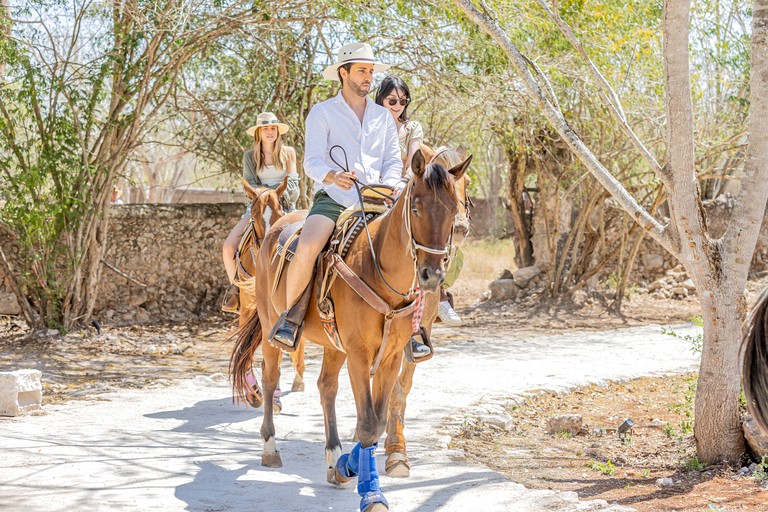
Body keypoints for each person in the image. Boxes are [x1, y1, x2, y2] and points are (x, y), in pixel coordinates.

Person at [269, 42, 402, 349]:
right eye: (362, 71)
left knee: (415, 243)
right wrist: (333, 176)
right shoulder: (323, 112)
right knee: (308, 247)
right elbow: (311, 161)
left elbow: (393, 161)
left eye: (370, 71)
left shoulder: (383, 118)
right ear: (344, 73)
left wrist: (392, 182)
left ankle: (413, 327)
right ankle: (292, 318)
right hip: (335, 198)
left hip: (378, 200)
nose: (368, 77)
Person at [375, 77, 462, 359]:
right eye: (392, 101)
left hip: (402, 186)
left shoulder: (412, 128)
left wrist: (399, 184)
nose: (398, 106)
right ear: (381, 100)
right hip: (367, 186)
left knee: (431, 237)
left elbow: (414, 161)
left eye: (403, 101)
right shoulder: (370, 123)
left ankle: (424, 317)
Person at [221, 112, 300, 313]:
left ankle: (303, 292)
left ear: (277, 132)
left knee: (306, 246)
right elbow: (251, 183)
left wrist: (276, 194)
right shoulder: (250, 156)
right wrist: (266, 194)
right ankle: (236, 291)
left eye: (273, 128)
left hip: (284, 207)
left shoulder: (288, 152)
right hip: (258, 208)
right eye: (265, 128)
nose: (270, 132)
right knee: (229, 247)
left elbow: (293, 183)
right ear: (259, 132)